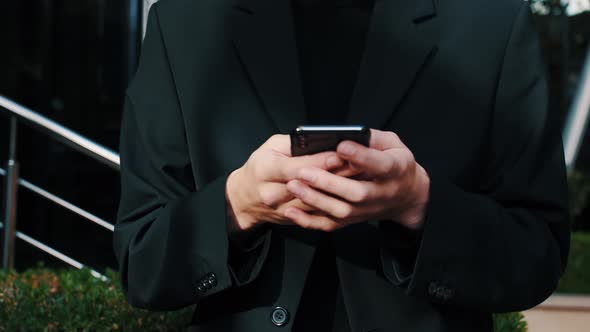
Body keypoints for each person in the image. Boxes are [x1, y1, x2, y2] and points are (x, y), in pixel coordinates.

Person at [113, 0, 571, 330]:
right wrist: (238, 206)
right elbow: (143, 262)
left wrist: (420, 206)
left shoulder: (493, 20)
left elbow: (537, 255)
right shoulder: (186, 19)